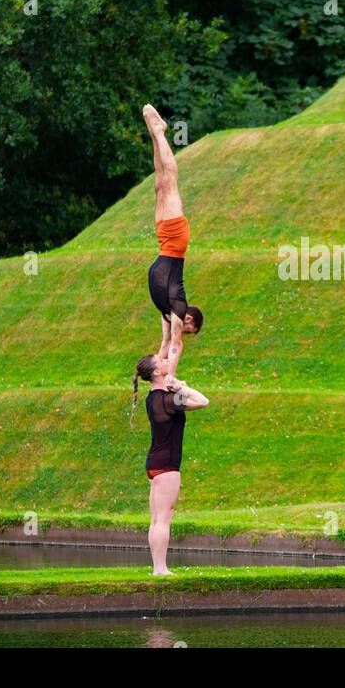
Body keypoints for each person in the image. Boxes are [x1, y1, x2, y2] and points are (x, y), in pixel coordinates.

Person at [131, 353, 210, 576]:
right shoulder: (168, 400)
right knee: (164, 518)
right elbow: (203, 401)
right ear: (157, 372)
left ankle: (158, 567)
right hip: (167, 465)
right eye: (162, 361)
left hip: (154, 462)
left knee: (157, 518)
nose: (166, 361)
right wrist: (182, 386)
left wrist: (174, 388)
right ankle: (160, 569)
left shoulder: (153, 398)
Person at [143, 104, 203, 382]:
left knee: (159, 183)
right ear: (189, 321)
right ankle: (160, 132)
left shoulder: (169, 315)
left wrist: (158, 374)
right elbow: (176, 345)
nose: (183, 333)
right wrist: (172, 376)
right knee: (170, 181)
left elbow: (167, 345)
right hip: (175, 240)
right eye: (188, 331)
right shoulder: (178, 309)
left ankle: (155, 134)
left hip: (165, 242)